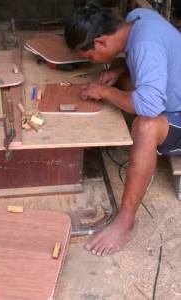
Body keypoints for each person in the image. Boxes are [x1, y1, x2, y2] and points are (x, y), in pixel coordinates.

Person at [64, 1, 181, 256]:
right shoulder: (138, 18)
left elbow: (150, 107)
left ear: (101, 42)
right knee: (129, 81)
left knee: (145, 126)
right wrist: (118, 70)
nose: (93, 62)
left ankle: (126, 222)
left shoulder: (144, 45)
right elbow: (148, 54)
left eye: (90, 57)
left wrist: (105, 91)